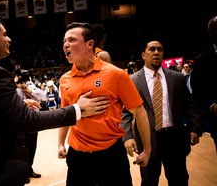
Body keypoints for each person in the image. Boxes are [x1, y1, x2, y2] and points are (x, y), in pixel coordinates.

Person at [0, 14, 110, 186]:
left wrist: (18, 104)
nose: (9, 39)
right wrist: (77, 109)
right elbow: (28, 121)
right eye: (5, 35)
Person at [58, 22, 151, 186]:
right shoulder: (64, 79)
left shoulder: (116, 74)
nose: (66, 44)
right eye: (64, 41)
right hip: (77, 157)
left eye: (72, 40)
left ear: (89, 44)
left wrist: (147, 150)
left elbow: (140, 112)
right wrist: (60, 143)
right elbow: (66, 114)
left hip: (111, 155)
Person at [121, 40, 202, 186]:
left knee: (179, 180)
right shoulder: (132, 81)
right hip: (147, 140)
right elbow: (126, 112)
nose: (156, 52)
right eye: (152, 49)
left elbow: (189, 106)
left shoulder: (177, 78)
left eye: (160, 49)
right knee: (148, 182)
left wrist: (195, 128)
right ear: (143, 55)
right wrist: (127, 136)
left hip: (174, 138)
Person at [14, 70, 46, 183]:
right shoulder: (14, 89)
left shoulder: (31, 86)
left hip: (33, 120)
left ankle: (29, 169)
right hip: (21, 121)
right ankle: (23, 172)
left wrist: (29, 90)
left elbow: (43, 96)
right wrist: (16, 86)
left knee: (32, 148)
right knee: (23, 149)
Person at [191, 16, 217, 151]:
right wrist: (212, 106)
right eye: (216, 30)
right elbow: (198, 91)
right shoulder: (201, 60)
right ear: (210, 33)